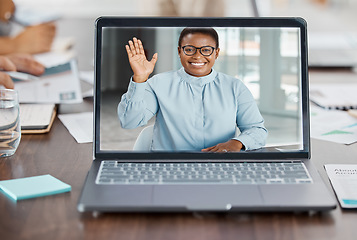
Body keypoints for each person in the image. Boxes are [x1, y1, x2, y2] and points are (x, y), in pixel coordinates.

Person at [118, 27, 267, 152]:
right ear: (179, 51)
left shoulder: (235, 87)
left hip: (220, 166)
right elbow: (129, 121)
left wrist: (236, 143)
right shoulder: (158, 83)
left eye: (206, 50)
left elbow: (257, 130)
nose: (197, 56)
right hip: (169, 167)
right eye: (189, 49)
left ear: (216, 52)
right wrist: (140, 78)